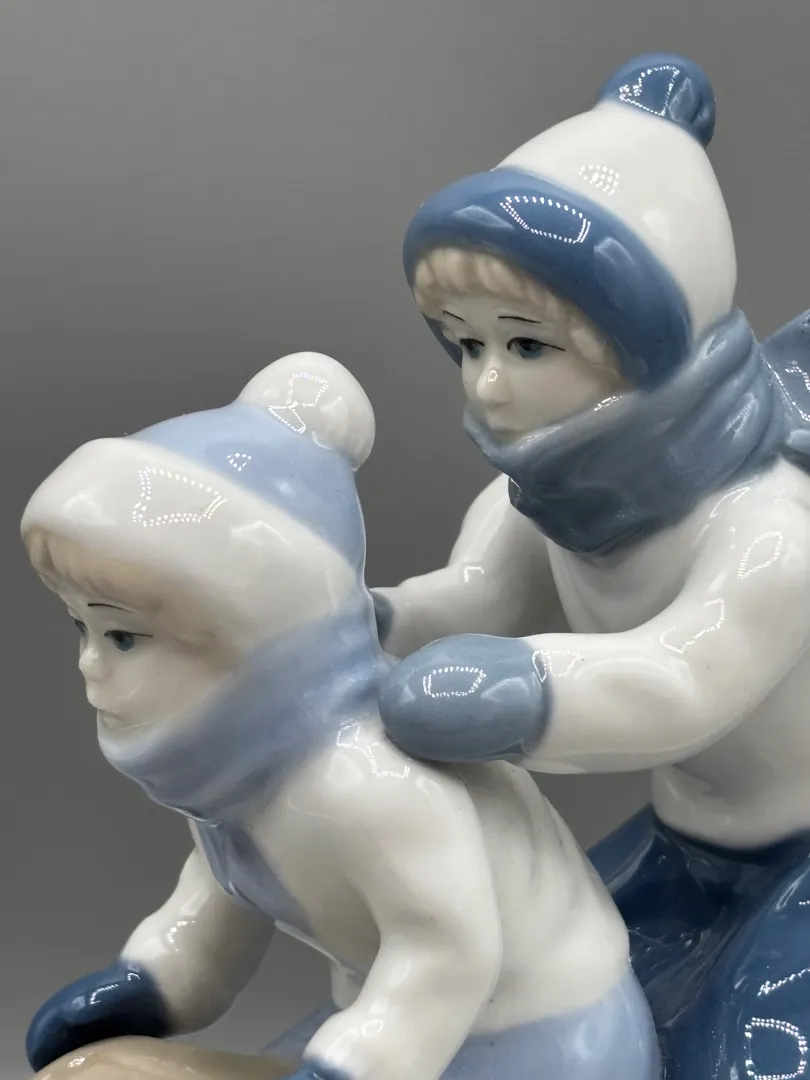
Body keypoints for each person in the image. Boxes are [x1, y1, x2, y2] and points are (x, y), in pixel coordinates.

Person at [22, 352, 659, 1080]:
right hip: (409, 1042)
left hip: (546, 1047)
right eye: (81, 627)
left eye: (123, 637)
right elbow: (217, 909)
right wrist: (152, 984)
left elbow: (446, 953)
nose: (88, 664)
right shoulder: (237, 781)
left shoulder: (366, 783)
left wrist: (351, 1066)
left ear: (255, 643)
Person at [374, 53, 810, 1080]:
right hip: (688, 847)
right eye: (465, 345)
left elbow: (680, 683)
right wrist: (356, 624)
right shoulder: (541, 502)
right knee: (531, 990)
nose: (486, 385)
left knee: (755, 1059)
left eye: (527, 347)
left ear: (641, 348)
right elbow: (473, 598)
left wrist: (521, 690)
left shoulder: (766, 527)